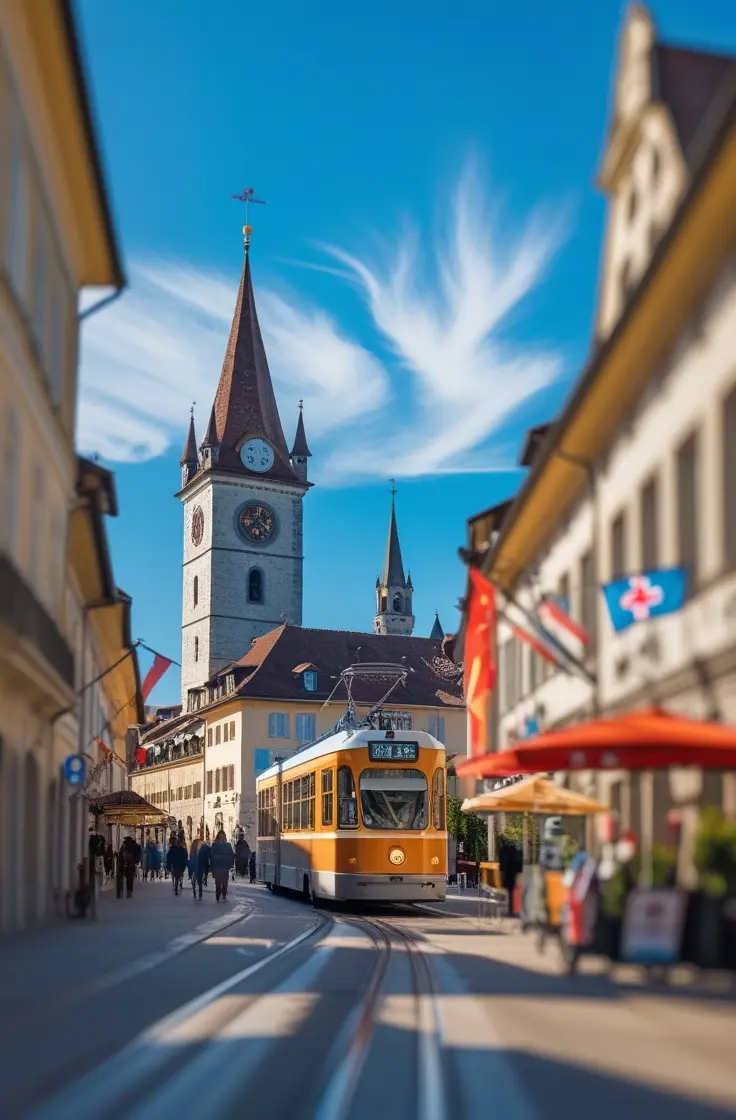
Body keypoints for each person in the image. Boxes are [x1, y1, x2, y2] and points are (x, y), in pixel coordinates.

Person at [211, 829, 235, 901]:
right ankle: (218, 893)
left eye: (223, 836)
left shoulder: (228, 845)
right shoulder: (215, 845)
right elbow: (212, 855)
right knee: (218, 882)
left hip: (225, 866)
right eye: (220, 837)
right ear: (218, 837)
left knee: (225, 881)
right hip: (217, 866)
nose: (222, 838)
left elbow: (232, 854)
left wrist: (231, 863)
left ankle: (224, 893)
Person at [189, 832, 211, 899]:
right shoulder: (204, 846)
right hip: (199, 865)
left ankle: (198, 891)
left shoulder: (200, 846)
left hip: (198, 865)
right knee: (198, 879)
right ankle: (199, 891)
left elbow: (191, 855)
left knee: (197, 879)